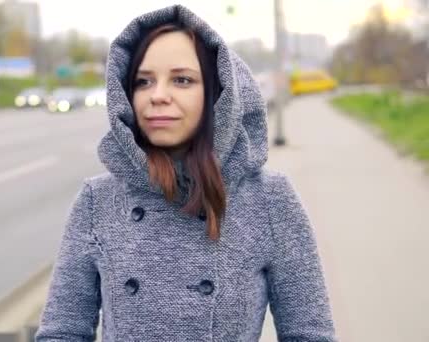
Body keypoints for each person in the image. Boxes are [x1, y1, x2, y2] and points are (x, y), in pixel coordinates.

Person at [36, 5, 336, 342]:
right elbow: (62, 333)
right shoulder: (98, 201)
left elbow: (310, 334)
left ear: (217, 93)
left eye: (182, 80)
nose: (158, 96)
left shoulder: (268, 198)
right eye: (143, 81)